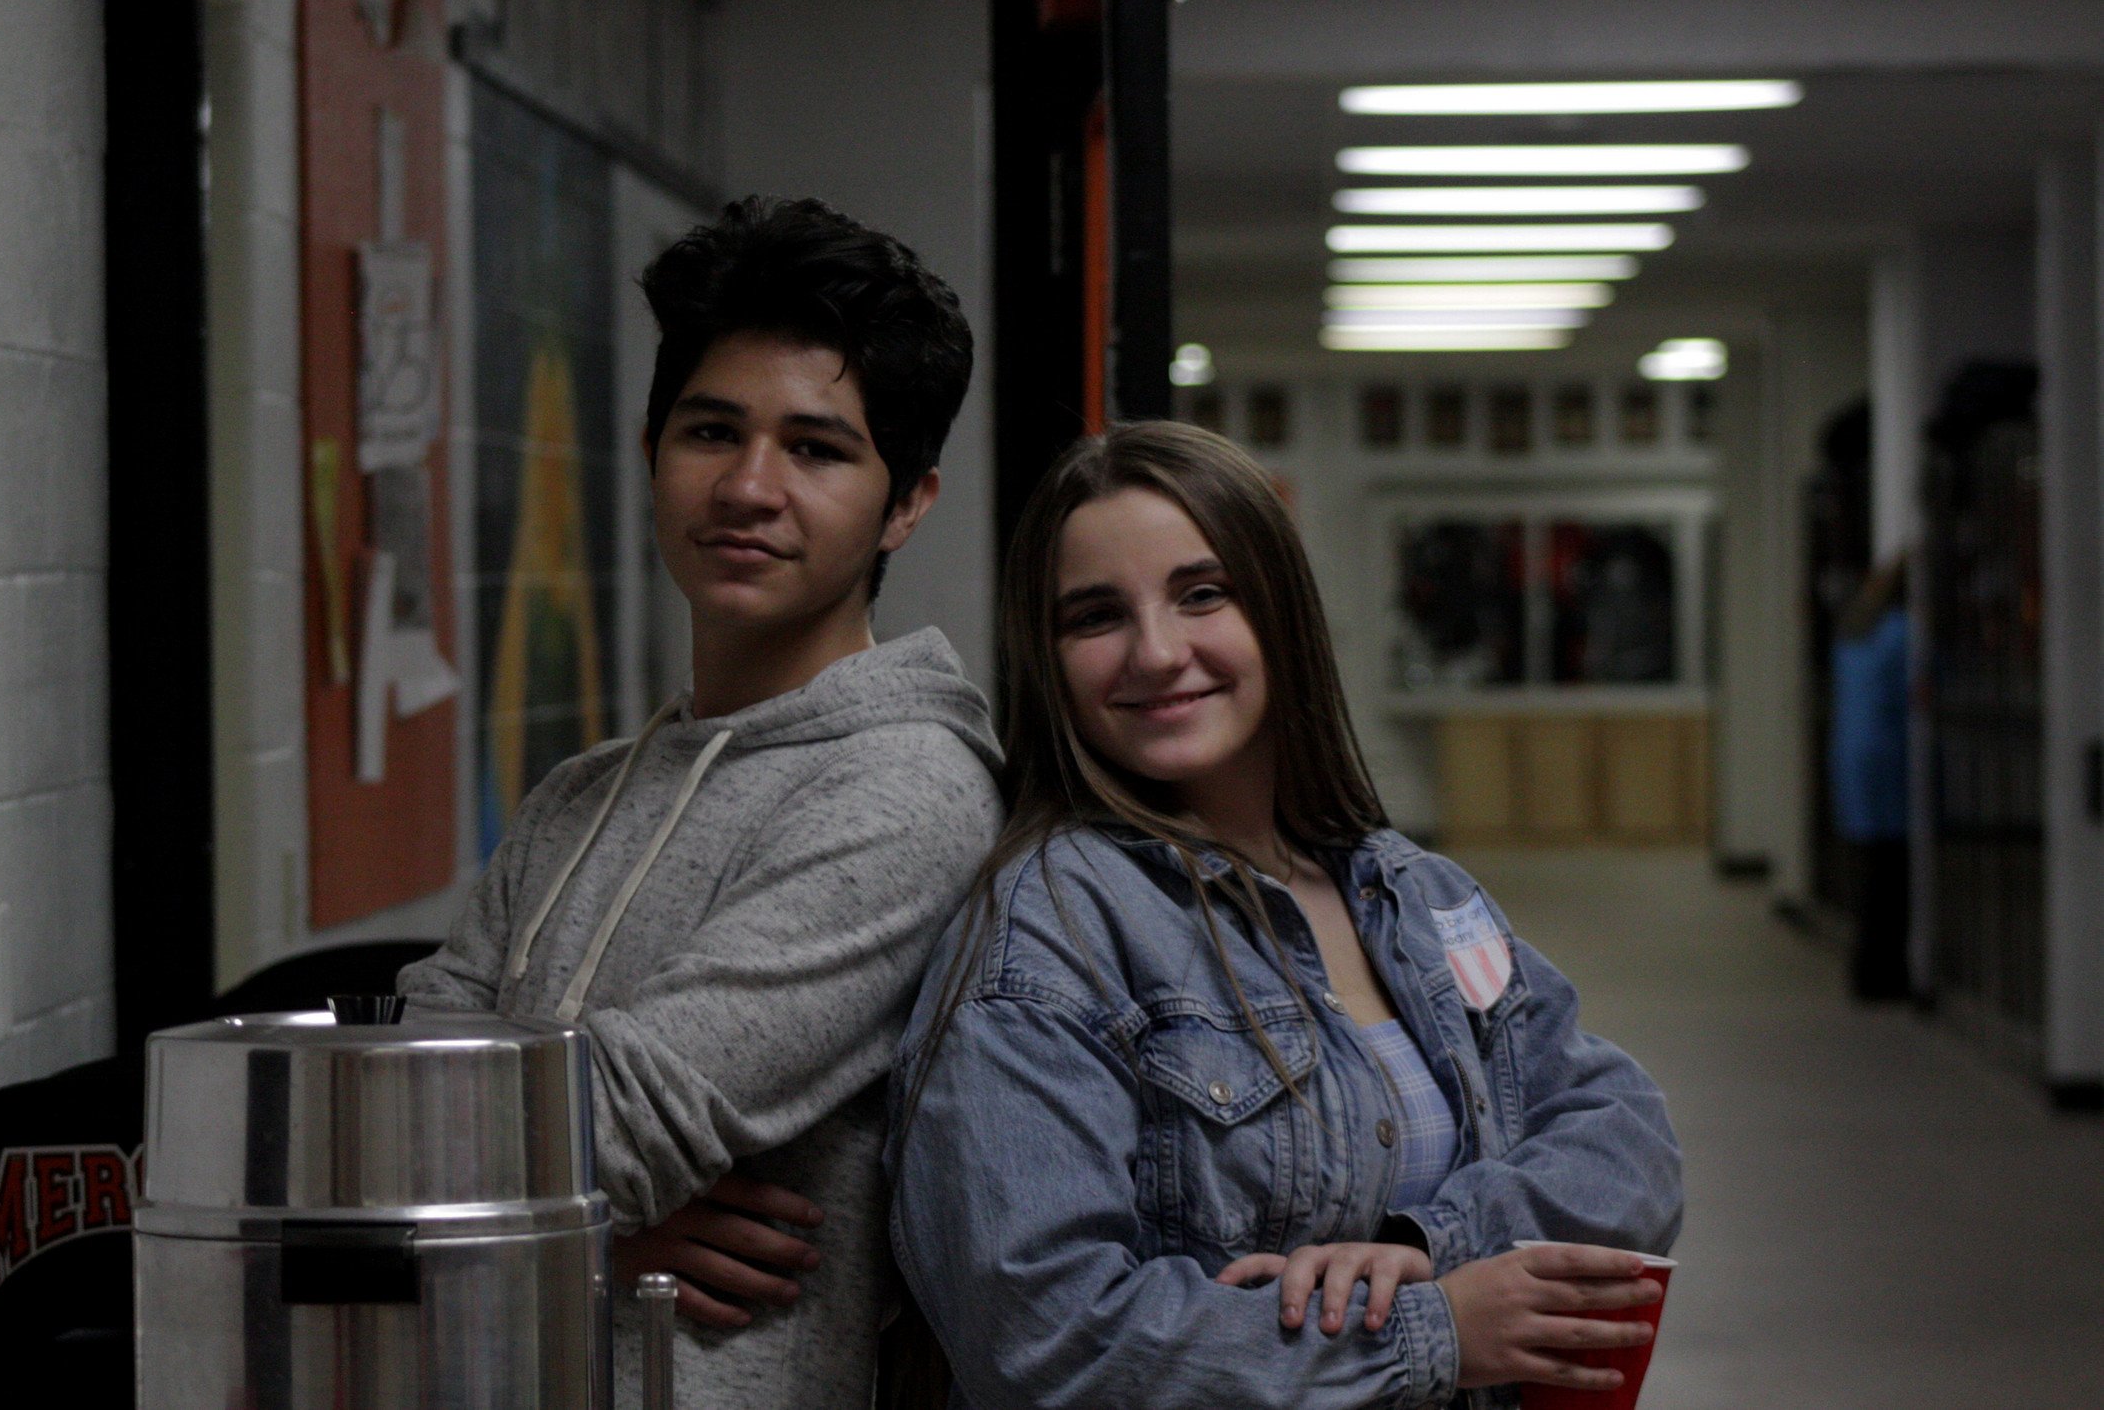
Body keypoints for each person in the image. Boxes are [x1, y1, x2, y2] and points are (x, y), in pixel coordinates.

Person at [885, 422, 1682, 1410]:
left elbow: (1623, 1132)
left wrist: (1422, 1246)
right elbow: (1044, 1335)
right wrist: (1434, 1333)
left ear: (1281, 610)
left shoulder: (1410, 891)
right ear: (1046, 659)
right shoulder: (1052, 927)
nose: (1156, 650)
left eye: (1201, 592)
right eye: (1095, 615)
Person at [400, 197, 1003, 1410]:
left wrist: (484, 1204)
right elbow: (389, 1079)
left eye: (818, 448)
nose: (747, 485)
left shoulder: (908, 790)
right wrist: (584, 1243)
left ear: (908, 501)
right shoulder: (578, 794)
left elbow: (621, 1118)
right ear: (649, 448)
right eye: (710, 429)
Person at [1830, 556, 1911, 1002]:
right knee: (1892, 874)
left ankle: (1866, 968)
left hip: (1853, 757)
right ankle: (1886, 974)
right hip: (1888, 762)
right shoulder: (1903, 633)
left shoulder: (1854, 632)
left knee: (1869, 870)